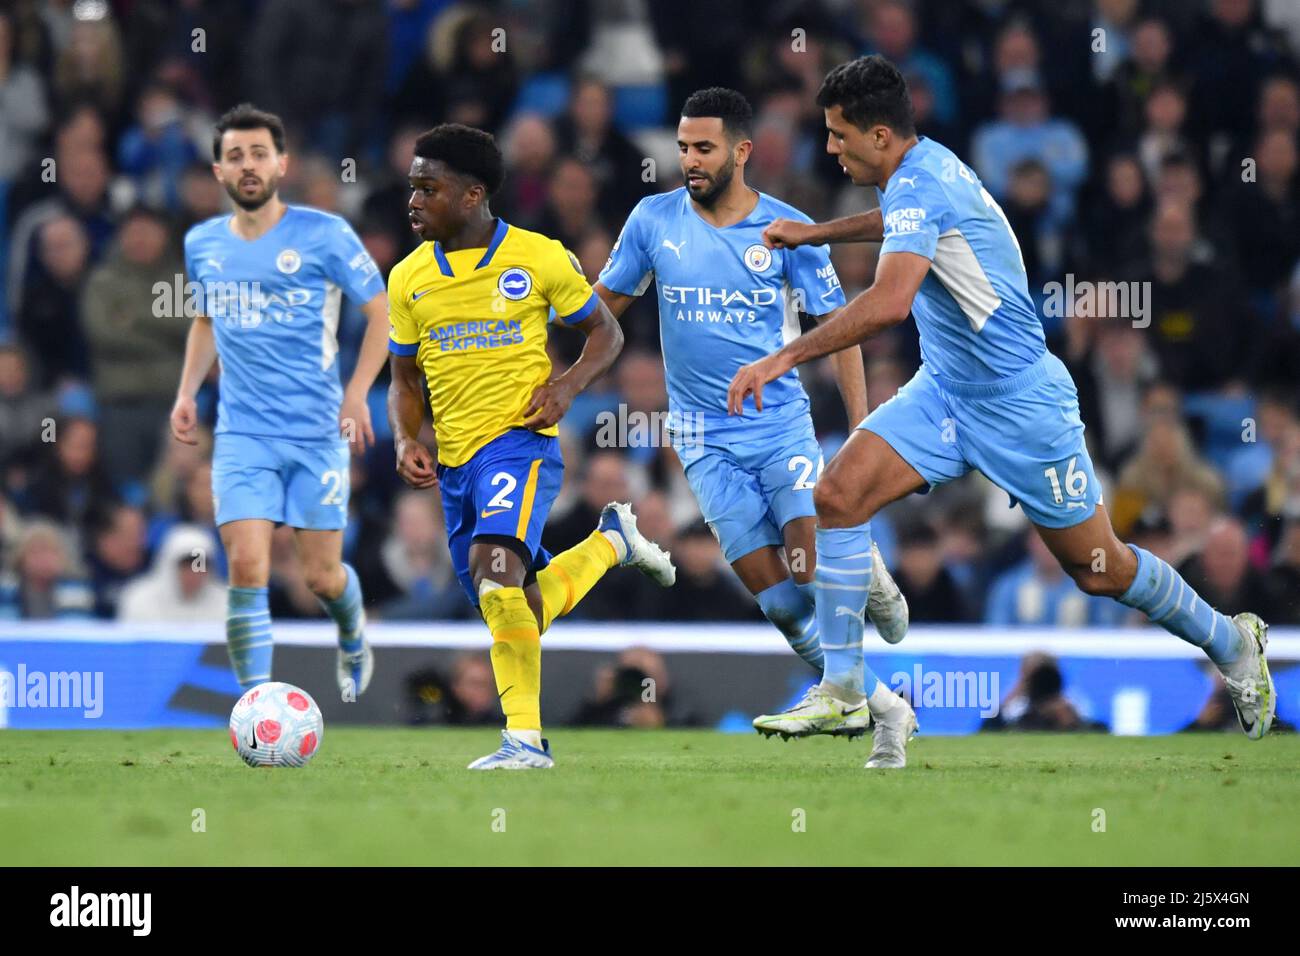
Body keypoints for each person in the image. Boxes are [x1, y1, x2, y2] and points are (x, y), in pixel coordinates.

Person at [729, 56, 1276, 769]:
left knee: (1100, 567)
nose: (829, 148)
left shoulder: (922, 185)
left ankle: (1232, 643)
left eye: (838, 136)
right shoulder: (923, 171)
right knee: (835, 497)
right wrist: (819, 234)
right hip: (947, 391)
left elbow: (890, 304)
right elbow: (902, 219)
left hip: (1023, 404)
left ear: (882, 135)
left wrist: (782, 357)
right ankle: (840, 686)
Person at [593, 87, 909, 736]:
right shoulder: (652, 221)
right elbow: (601, 312)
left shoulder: (788, 230)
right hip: (703, 443)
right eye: (683, 148)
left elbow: (841, 330)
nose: (690, 160)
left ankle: (858, 579)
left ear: (741, 151)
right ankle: (882, 708)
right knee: (779, 600)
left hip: (778, 427)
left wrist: (860, 430)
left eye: (703, 148)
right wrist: (546, 325)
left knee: (806, 563)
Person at [387, 124, 675, 771]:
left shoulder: (538, 258)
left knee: (496, 576)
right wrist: (408, 436)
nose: (413, 201)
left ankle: (524, 742)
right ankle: (610, 545)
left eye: (427, 189)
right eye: (411, 188)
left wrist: (568, 386)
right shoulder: (408, 278)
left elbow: (605, 336)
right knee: (518, 605)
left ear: (471, 195)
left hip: (518, 445)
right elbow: (403, 377)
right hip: (455, 464)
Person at [169, 104, 390, 699]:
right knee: (246, 564)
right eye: (235, 155)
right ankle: (255, 706)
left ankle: (351, 632)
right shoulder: (203, 243)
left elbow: (381, 311)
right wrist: (187, 392)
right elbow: (205, 319)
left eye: (258, 153)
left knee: (320, 576)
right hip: (242, 433)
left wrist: (357, 394)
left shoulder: (325, 234)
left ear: (281, 164)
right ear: (218, 171)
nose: (247, 165)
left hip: (317, 433)